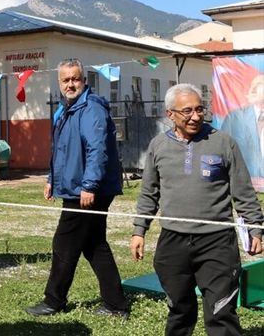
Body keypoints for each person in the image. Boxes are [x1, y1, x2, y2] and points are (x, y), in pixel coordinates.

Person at [131, 83, 264, 335]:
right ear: (170, 114)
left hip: (217, 242)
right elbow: (149, 192)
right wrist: (139, 230)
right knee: (179, 309)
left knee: (221, 310)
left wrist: (255, 228)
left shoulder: (223, 143)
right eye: (187, 111)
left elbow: (243, 191)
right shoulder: (158, 146)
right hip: (173, 241)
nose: (195, 116)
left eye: (200, 109)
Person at [25, 59, 128, 318]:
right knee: (94, 244)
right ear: (59, 82)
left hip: (87, 190)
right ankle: (116, 304)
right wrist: (51, 179)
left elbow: (97, 150)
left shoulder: (91, 109)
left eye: (75, 79)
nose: (71, 84)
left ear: (84, 80)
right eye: (66, 80)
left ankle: (54, 300)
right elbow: (61, 151)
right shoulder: (66, 109)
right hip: (76, 187)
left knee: (64, 244)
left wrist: (89, 185)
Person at [218, 73, 264, 190]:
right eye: (253, 86)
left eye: (258, 85)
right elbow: (222, 148)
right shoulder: (234, 117)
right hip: (243, 183)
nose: (252, 90)